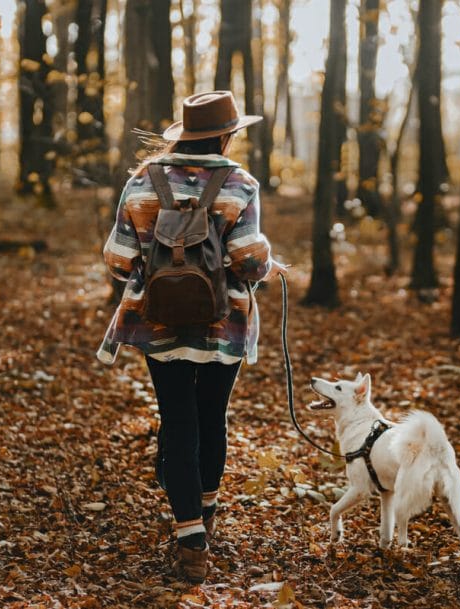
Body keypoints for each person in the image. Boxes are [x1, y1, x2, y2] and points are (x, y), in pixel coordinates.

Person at [97, 91, 284, 584]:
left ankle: (190, 540)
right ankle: (206, 512)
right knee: (211, 417)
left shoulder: (142, 181)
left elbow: (117, 261)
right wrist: (265, 262)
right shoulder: (240, 183)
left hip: (157, 322)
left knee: (177, 420)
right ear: (225, 135)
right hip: (225, 324)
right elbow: (248, 260)